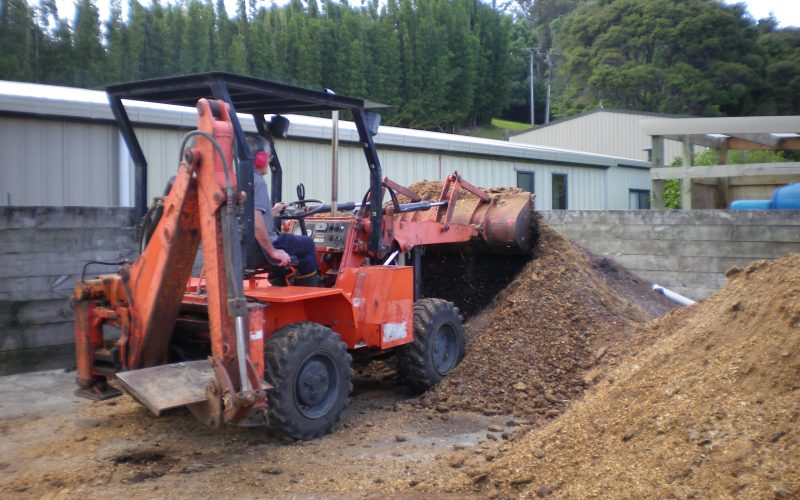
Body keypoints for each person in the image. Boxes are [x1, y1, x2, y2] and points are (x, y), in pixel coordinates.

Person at [250, 137, 321, 286]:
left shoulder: (241, 179)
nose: (269, 161)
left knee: (293, 241)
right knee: (307, 244)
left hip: (251, 245)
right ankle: (310, 290)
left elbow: (251, 215)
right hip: (265, 246)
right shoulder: (257, 182)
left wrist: (272, 211)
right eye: (269, 156)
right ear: (261, 158)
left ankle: (281, 280)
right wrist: (272, 251)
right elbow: (256, 221)